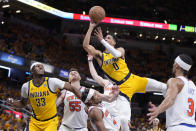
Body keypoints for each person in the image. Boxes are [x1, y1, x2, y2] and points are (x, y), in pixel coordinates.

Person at [83, 22, 167, 131]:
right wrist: (90, 27)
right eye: (105, 38)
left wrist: (102, 40)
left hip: (133, 79)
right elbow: (85, 46)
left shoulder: (120, 50)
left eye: (108, 38)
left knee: (164, 87)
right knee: (123, 120)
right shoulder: (100, 56)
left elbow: (117, 55)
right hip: (122, 88)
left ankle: (173, 109)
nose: (106, 38)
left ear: (114, 42)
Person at [7, 62, 73, 131]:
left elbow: (67, 91)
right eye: (38, 66)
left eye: (42, 66)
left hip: (50, 121)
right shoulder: (26, 86)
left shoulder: (51, 82)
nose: (41, 67)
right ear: (32, 71)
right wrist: (12, 102)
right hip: (35, 121)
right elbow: (23, 103)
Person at [147, 54, 196, 131]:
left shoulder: (174, 81)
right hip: (192, 127)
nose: (173, 65)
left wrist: (158, 109)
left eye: (174, 63)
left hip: (177, 127)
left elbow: (171, 99)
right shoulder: (193, 85)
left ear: (177, 65)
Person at [88, 54, 129, 129]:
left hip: (116, 114)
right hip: (104, 111)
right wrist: (90, 61)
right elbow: (94, 75)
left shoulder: (124, 84)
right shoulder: (107, 82)